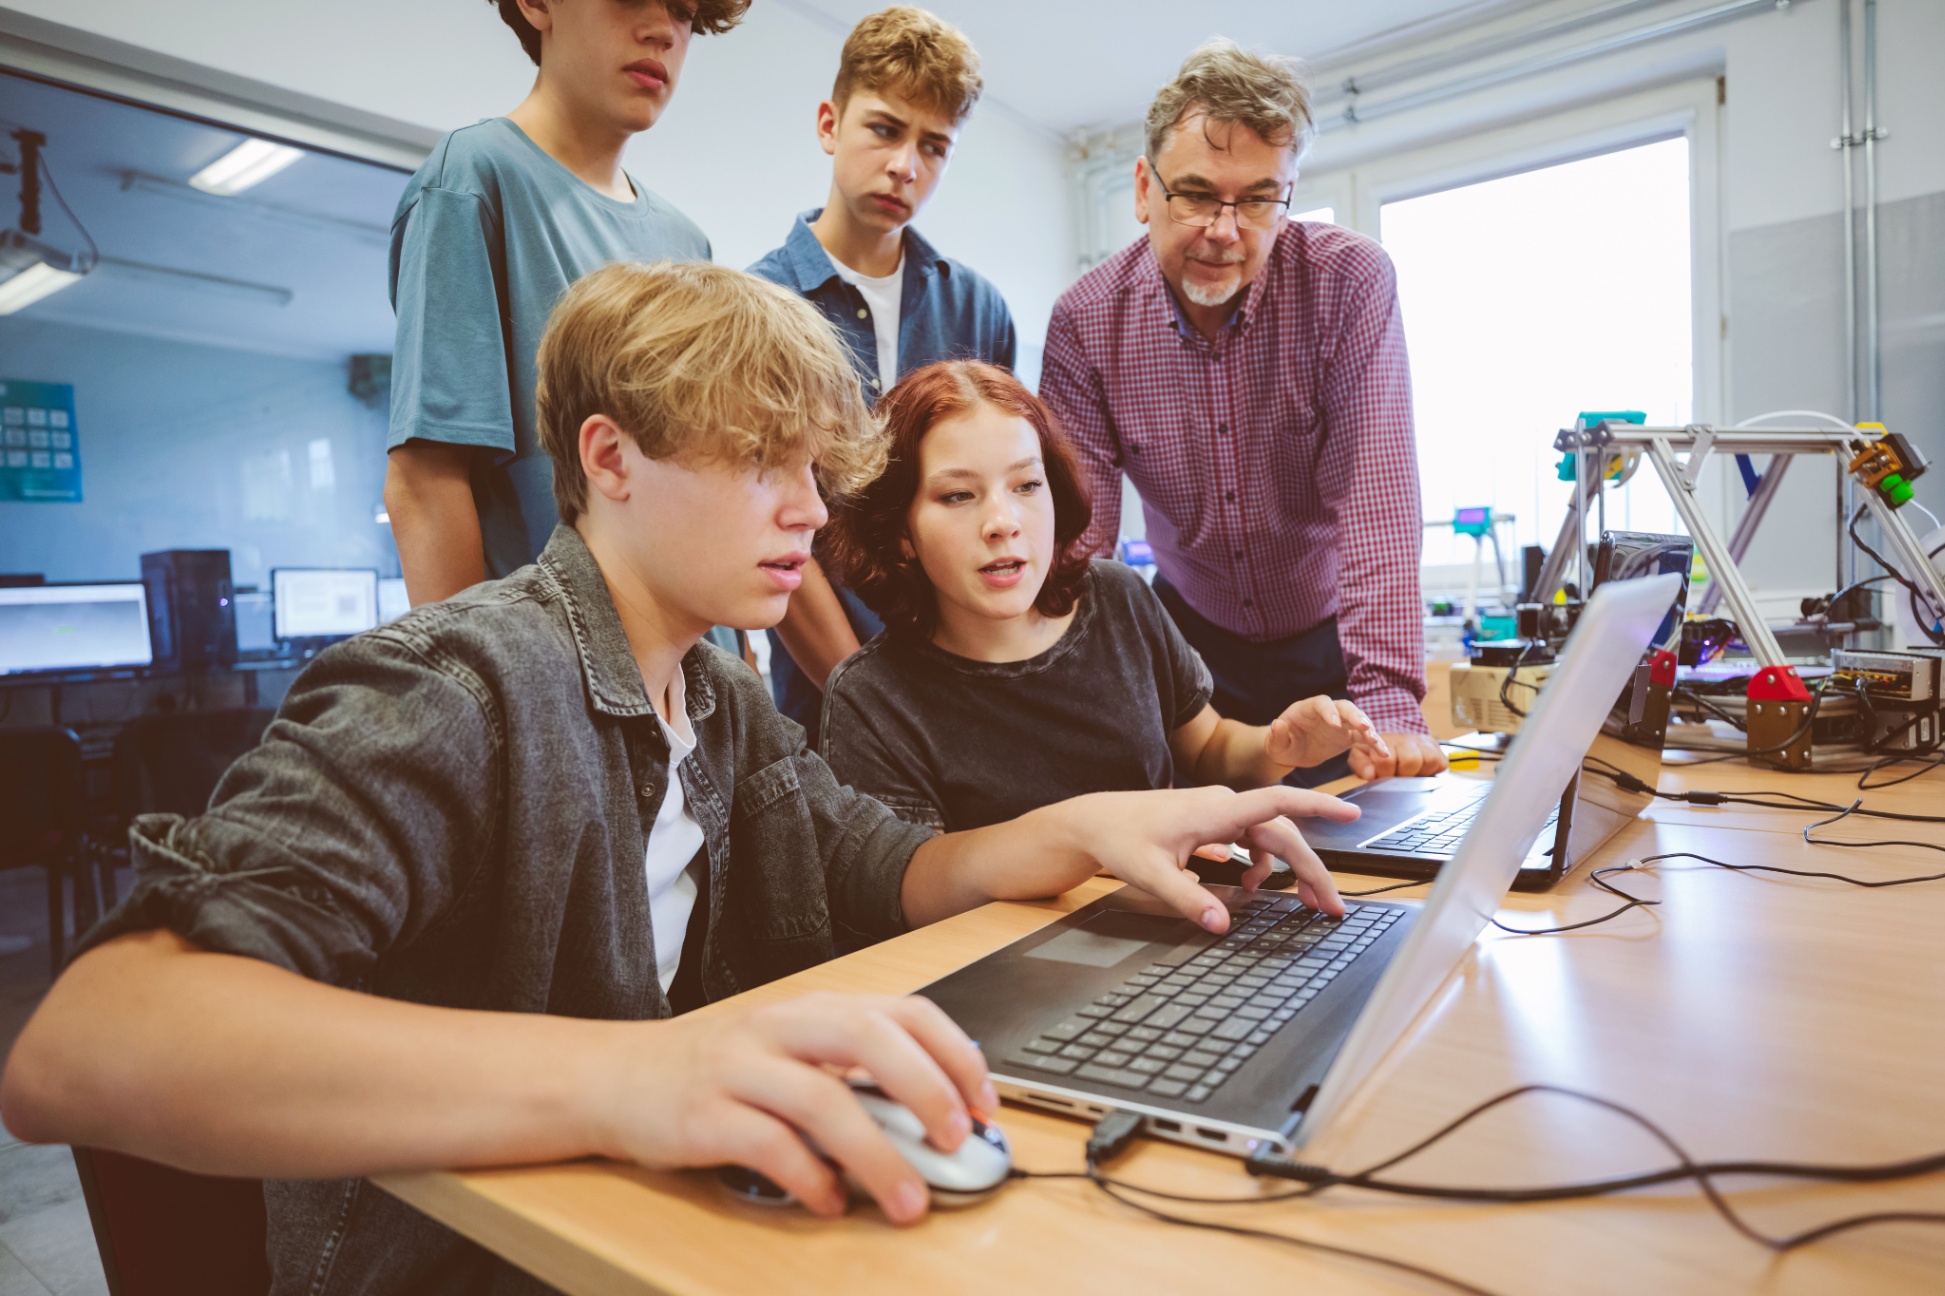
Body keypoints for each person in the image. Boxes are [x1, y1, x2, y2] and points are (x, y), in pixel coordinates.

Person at [1, 262, 1357, 1296]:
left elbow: (885, 868)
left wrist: (1093, 822)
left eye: (812, 470)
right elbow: (92, 1043)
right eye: (762, 464)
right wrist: (639, 1076)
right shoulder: (456, 685)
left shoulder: (716, 694)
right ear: (610, 460)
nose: (812, 513)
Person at [1038, 39, 1446, 787]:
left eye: (1257, 198)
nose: (1225, 231)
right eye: (1195, 194)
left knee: (1352, 876)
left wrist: (1388, 700)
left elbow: (1375, 499)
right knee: (1199, 878)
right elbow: (1074, 540)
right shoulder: (1085, 321)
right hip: (1184, 646)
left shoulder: (1346, 284)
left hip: (1329, 649)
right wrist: (1058, 702)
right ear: (1142, 188)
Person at [820, 359, 1389, 835]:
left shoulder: (1116, 598)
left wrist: (1277, 744)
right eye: (958, 495)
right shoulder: (871, 699)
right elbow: (912, 897)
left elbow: (1210, 745)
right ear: (898, 530)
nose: (1003, 521)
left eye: (1026, 486)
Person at [384, 0, 742, 609]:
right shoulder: (473, 181)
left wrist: (735, 667)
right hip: (552, 668)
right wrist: (485, 687)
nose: (662, 30)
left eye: (683, 11)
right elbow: (426, 481)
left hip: (689, 671)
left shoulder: (687, 243)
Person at [749, 5, 1016, 747]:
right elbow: (770, 528)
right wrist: (864, 701)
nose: (906, 165)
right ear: (830, 125)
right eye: (884, 129)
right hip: (826, 702)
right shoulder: (760, 309)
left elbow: (999, 501)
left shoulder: (977, 307)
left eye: (934, 146)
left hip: (972, 686)